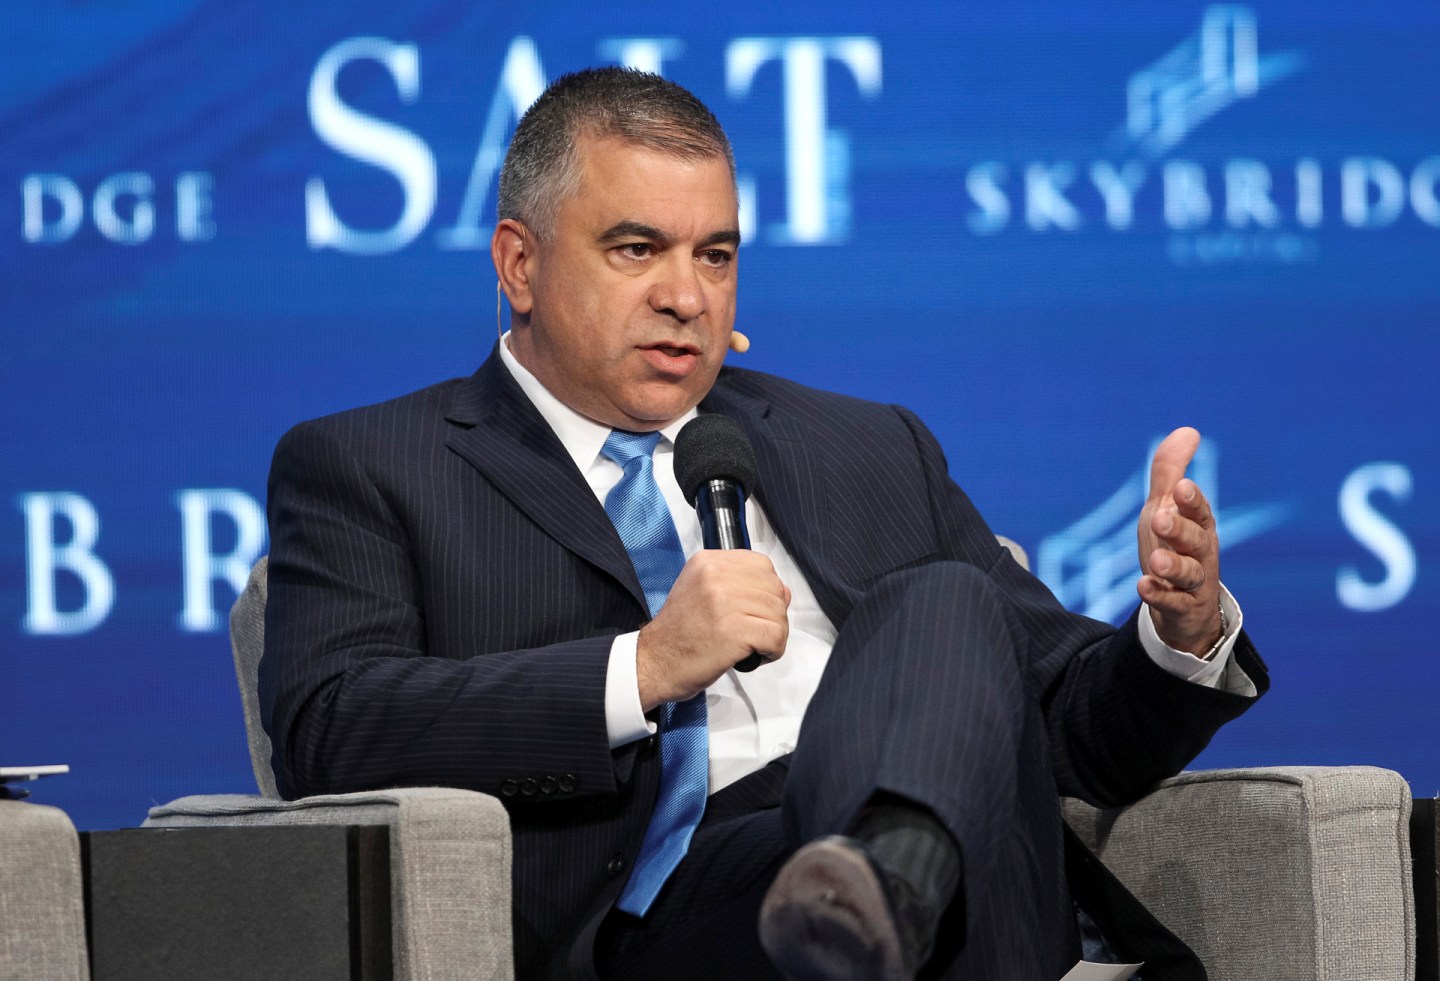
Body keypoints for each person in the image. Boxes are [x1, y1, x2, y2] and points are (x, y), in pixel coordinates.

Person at [258, 67, 1266, 981]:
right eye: (635, 249)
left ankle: (886, 882)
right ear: (519, 266)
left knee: (941, 600)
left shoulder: (867, 445)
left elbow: (1066, 735)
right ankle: (877, 892)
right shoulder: (372, 465)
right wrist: (644, 666)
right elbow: (330, 730)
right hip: (677, 908)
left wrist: (1178, 635)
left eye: (716, 253)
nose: (686, 296)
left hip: (960, 886)